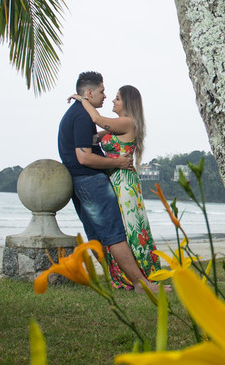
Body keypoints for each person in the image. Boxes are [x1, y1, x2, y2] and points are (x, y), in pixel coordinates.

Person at [57, 71, 158, 293]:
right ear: (90, 92)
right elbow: (86, 150)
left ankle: (127, 279)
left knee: (110, 233)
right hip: (96, 178)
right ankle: (136, 282)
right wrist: (116, 162)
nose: (107, 97)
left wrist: (81, 99)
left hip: (107, 179)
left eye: (116, 97)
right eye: (103, 91)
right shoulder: (83, 116)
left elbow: (95, 128)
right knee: (113, 233)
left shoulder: (96, 117)